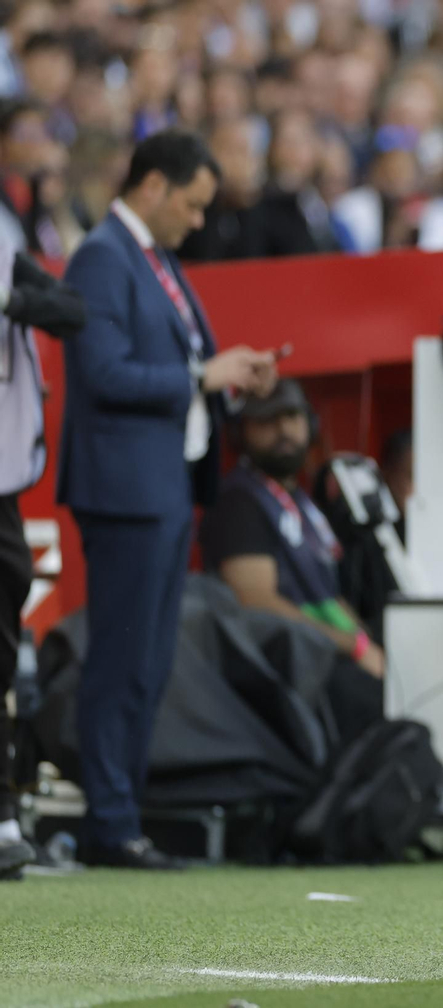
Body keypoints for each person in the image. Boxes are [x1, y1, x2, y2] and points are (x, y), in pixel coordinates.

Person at [58, 130, 277, 869]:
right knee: (121, 659)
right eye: (190, 204)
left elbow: (168, 363)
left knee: (147, 661)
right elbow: (103, 372)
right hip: (125, 488)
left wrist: (229, 374)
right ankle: (109, 822)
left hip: (162, 484)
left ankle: (124, 815)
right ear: (152, 185)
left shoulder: (154, 261)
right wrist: (201, 378)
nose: (197, 220)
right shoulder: (101, 257)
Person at [199, 379, 384, 743]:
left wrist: (366, 642)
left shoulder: (300, 502)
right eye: (267, 420)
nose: (283, 430)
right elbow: (257, 604)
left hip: (317, 659)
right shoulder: (240, 503)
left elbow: (328, 598)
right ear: (242, 432)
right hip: (283, 673)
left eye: (291, 417)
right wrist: (353, 646)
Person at [0, 221, 86, 881]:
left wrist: (14, 301)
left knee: (5, 635)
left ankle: (2, 810)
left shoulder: (5, 251)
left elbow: (70, 310)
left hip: (2, 484)